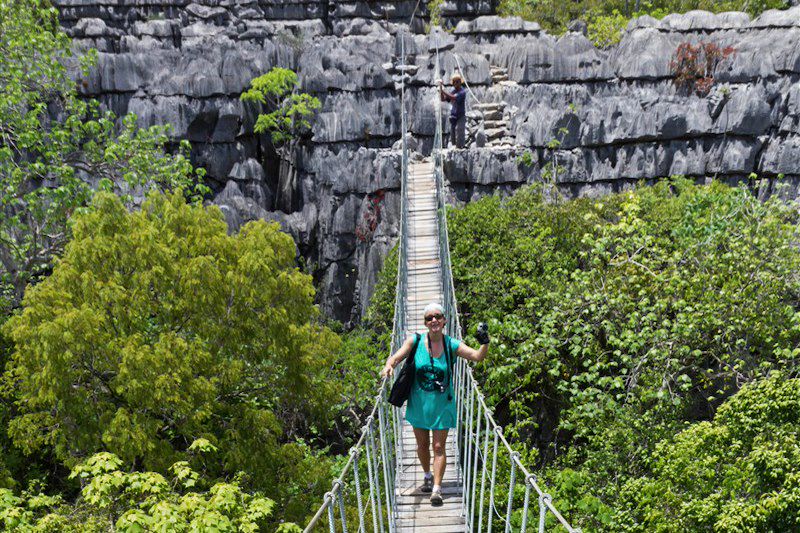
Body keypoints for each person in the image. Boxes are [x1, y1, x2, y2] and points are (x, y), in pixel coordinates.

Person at [381, 303, 489, 506]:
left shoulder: (452, 345)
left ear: (444, 320)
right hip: (418, 405)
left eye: (437, 316)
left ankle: (437, 489)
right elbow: (396, 356)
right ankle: (427, 475)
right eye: (429, 318)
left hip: (442, 406)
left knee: (438, 446)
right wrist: (389, 365)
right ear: (425, 323)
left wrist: (485, 342)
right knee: (422, 445)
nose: (434, 321)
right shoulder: (416, 340)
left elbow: (477, 357)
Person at [439, 74, 467, 149]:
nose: (455, 83)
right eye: (454, 82)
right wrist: (440, 89)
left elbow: (453, 98)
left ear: (460, 82)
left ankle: (460, 148)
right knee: (453, 137)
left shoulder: (462, 92)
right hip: (453, 117)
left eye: (457, 82)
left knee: (460, 133)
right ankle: (455, 149)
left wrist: (443, 91)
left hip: (460, 116)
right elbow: (443, 99)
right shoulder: (453, 91)